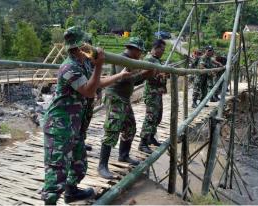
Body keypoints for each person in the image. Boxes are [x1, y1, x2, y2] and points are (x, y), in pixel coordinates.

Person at [42, 26, 131, 205]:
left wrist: (119, 76)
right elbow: (89, 91)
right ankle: (50, 201)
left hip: (75, 123)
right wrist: (99, 66)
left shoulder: (84, 63)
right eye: (86, 44)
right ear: (77, 47)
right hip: (59, 124)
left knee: (79, 164)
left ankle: (71, 192)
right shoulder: (69, 67)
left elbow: (96, 83)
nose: (90, 46)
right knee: (57, 170)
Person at [98, 37, 154, 179]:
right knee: (112, 129)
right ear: (134, 49)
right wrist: (142, 75)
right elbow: (123, 78)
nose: (140, 54)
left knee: (130, 127)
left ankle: (123, 155)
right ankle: (102, 166)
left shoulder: (131, 61)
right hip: (115, 97)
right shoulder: (121, 59)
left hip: (124, 99)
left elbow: (133, 80)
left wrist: (144, 76)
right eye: (140, 51)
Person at [138, 39, 167, 154]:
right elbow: (148, 76)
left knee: (157, 117)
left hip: (157, 92)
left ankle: (150, 137)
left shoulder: (157, 60)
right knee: (150, 118)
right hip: (151, 93)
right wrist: (161, 74)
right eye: (162, 49)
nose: (163, 52)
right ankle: (143, 143)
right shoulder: (149, 59)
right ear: (156, 48)